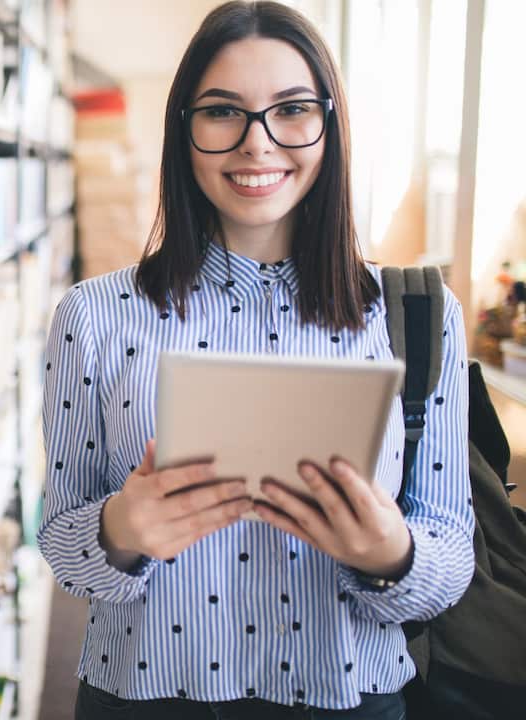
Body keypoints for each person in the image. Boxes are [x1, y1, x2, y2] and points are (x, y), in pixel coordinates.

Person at [39, 2, 475, 718]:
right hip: (146, 695)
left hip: (347, 693)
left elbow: (452, 555)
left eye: (292, 109)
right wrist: (122, 530)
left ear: (329, 126)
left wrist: (391, 552)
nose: (259, 144)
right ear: (184, 131)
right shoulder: (94, 315)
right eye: (222, 113)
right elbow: (61, 541)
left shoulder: (420, 317)